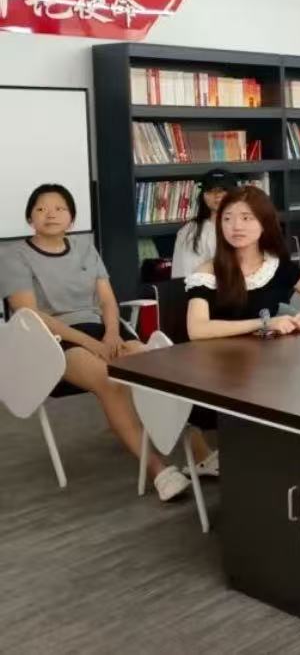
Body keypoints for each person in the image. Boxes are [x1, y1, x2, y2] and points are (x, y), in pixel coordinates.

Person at [0, 184, 201, 500]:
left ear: (71, 217)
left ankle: (201, 455)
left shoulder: (85, 248)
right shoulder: (14, 256)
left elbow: (107, 300)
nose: (50, 214)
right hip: (51, 340)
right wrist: (90, 343)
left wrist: (112, 334)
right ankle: (159, 471)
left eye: (59, 208)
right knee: (110, 381)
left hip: (100, 330)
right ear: (30, 219)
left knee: (159, 367)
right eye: (41, 209)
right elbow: (30, 312)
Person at [186, 185, 300, 340]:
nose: (236, 226)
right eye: (227, 218)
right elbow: (197, 330)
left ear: (264, 224)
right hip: (221, 354)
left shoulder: (275, 266)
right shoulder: (206, 273)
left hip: (270, 352)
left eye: (246, 218)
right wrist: (263, 323)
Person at [171, 168, 237, 278]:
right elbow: (185, 276)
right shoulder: (190, 232)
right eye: (210, 190)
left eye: (223, 189)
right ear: (203, 195)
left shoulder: (248, 227)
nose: (217, 195)